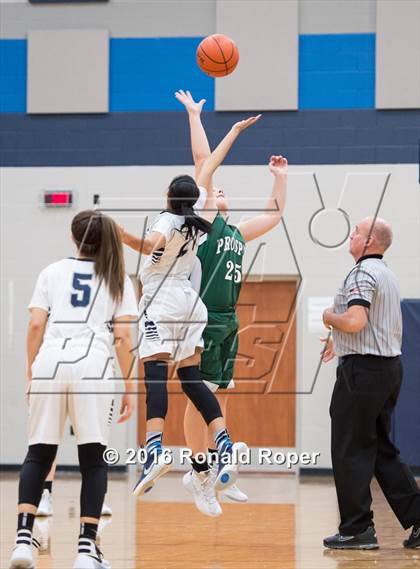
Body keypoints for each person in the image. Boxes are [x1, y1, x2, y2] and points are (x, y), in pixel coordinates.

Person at [120, 112, 260, 515]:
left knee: (154, 374)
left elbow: (150, 245)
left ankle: (154, 453)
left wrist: (120, 233)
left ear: (168, 196)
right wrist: (232, 131)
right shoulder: (200, 220)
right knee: (192, 378)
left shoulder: (168, 217)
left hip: (162, 300)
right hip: (190, 303)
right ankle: (224, 443)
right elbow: (209, 162)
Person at [174, 90, 288, 513]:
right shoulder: (200, 229)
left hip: (227, 319)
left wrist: (280, 178)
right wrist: (195, 116)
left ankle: (216, 467)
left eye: (221, 188)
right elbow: (204, 163)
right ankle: (198, 470)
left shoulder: (238, 232)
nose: (218, 188)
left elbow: (275, 216)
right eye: (212, 188)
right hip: (200, 318)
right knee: (199, 395)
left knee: (221, 395)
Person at [9, 210, 138, 569]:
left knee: (38, 453)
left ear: (72, 236)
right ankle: (85, 550)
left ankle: (22, 542)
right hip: (93, 367)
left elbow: (36, 324)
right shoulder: (118, 278)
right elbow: (124, 338)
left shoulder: (51, 272)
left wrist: (30, 372)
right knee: (93, 460)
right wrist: (128, 385)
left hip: (50, 362)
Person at [321, 216, 420, 550]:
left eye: (356, 232)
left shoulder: (362, 273)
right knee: (379, 449)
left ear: (369, 243)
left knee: (349, 448)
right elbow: (371, 324)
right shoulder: (387, 274)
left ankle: (357, 529)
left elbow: (356, 320)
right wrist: (340, 337)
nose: (351, 235)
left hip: (363, 373)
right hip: (388, 369)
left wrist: (329, 318)